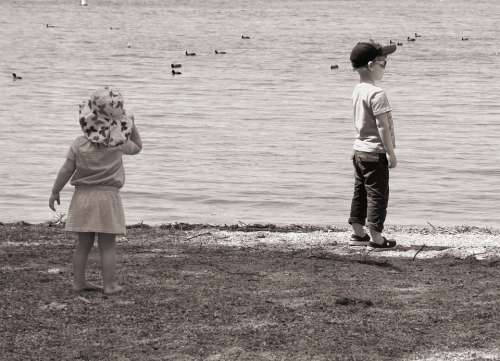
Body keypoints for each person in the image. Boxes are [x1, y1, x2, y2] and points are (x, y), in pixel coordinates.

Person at [49, 86, 142, 294]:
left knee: (83, 244)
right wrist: (130, 125)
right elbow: (138, 146)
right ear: (117, 121)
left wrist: (55, 191)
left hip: (83, 197)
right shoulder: (118, 143)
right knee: (107, 245)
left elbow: (66, 169)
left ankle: (79, 282)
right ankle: (109, 285)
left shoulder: (79, 144)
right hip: (108, 198)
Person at [347, 40, 397, 249]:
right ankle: (376, 237)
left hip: (359, 151)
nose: (385, 67)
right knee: (377, 194)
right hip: (375, 153)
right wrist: (391, 153)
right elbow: (383, 127)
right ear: (370, 65)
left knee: (360, 192)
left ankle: (358, 234)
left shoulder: (358, 90)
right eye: (383, 63)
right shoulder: (377, 94)